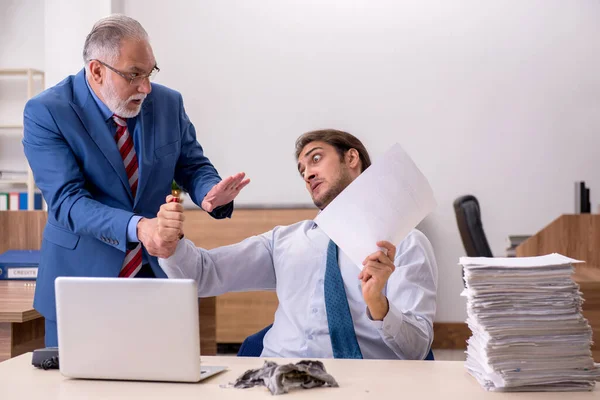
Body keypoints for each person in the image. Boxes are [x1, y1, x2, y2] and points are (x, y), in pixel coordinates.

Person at [22, 14, 249, 347]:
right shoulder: (48, 112)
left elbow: (191, 164)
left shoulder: (168, 103)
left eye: (150, 72)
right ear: (97, 71)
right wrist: (140, 227)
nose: (145, 87)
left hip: (156, 277)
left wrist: (208, 192)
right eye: (133, 75)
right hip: (80, 281)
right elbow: (67, 201)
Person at [157, 129, 438, 359]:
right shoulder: (284, 242)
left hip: (362, 387)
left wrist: (379, 304)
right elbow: (203, 275)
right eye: (302, 169)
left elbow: (416, 351)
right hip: (274, 379)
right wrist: (172, 244)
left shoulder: (406, 243)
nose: (308, 174)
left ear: (351, 158)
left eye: (316, 159)